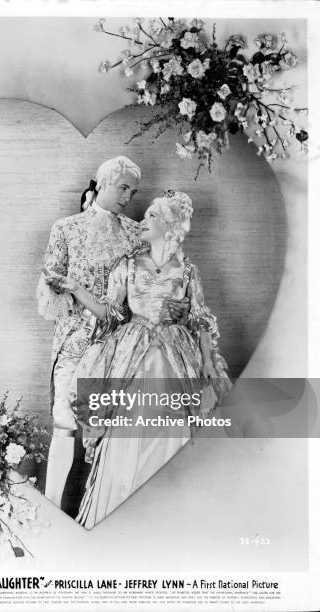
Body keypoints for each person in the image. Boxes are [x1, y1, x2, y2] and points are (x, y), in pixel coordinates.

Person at [57, 190, 231, 528]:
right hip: (131, 353)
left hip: (176, 354)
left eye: (150, 216)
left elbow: (199, 318)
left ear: (168, 226)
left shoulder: (189, 271)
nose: (141, 221)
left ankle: (168, 518)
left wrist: (208, 361)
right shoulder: (127, 265)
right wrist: (77, 289)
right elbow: (109, 312)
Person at [37, 158, 190, 509]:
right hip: (76, 340)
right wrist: (62, 287)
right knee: (65, 425)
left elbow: (157, 274)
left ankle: (97, 510)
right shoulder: (66, 228)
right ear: (103, 182)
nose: (128, 196)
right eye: (123, 187)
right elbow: (49, 288)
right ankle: (51, 510)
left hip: (120, 346)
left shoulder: (136, 232)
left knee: (110, 432)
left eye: (133, 191)